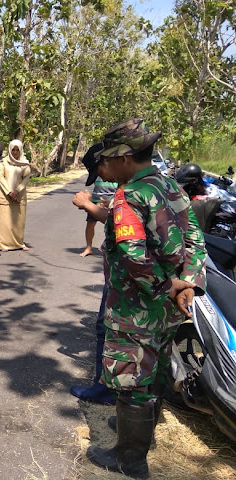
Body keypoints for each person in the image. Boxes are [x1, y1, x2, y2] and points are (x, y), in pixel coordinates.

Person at [83, 118, 206, 478]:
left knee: (131, 380)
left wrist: (167, 286)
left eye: (105, 162)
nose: (103, 171)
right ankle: (136, 438)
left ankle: (129, 458)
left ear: (124, 158)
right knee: (154, 375)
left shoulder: (129, 197)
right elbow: (196, 240)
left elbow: (134, 256)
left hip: (137, 309)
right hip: (167, 311)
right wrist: (186, 283)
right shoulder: (170, 185)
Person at [69, 143, 117, 405]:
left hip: (126, 283)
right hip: (140, 283)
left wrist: (88, 205)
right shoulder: (164, 185)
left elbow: (122, 224)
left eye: (100, 171)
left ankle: (105, 388)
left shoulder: (136, 190)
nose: (102, 178)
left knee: (106, 330)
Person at [0, 140, 32, 252]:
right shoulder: (3, 162)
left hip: (19, 196)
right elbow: (1, 178)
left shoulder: (25, 163)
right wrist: (9, 192)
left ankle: (19, 243)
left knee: (19, 222)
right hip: (5, 196)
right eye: (13, 150)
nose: (15, 152)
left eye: (17, 150)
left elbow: (26, 178)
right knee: (4, 222)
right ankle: (3, 244)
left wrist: (17, 190)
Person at [80, 174, 117, 257]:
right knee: (90, 223)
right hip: (95, 200)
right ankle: (88, 248)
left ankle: (112, 248)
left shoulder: (115, 170)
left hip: (111, 201)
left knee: (112, 225)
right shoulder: (97, 170)